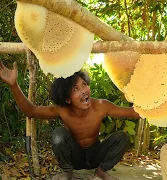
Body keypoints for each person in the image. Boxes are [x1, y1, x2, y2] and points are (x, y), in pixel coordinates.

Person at [0, 62, 140, 180]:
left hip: (96, 153)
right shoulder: (61, 110)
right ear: (67, 99)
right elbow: (30, 111)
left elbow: (134, 113)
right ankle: (67, 171)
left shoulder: (102, 106)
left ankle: (101, 170)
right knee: (58, 134)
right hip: (75, 156)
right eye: (76, 89)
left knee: (122, 137)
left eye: (84, 84)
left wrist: (155, 101)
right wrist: (14, 85)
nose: (84, 90)